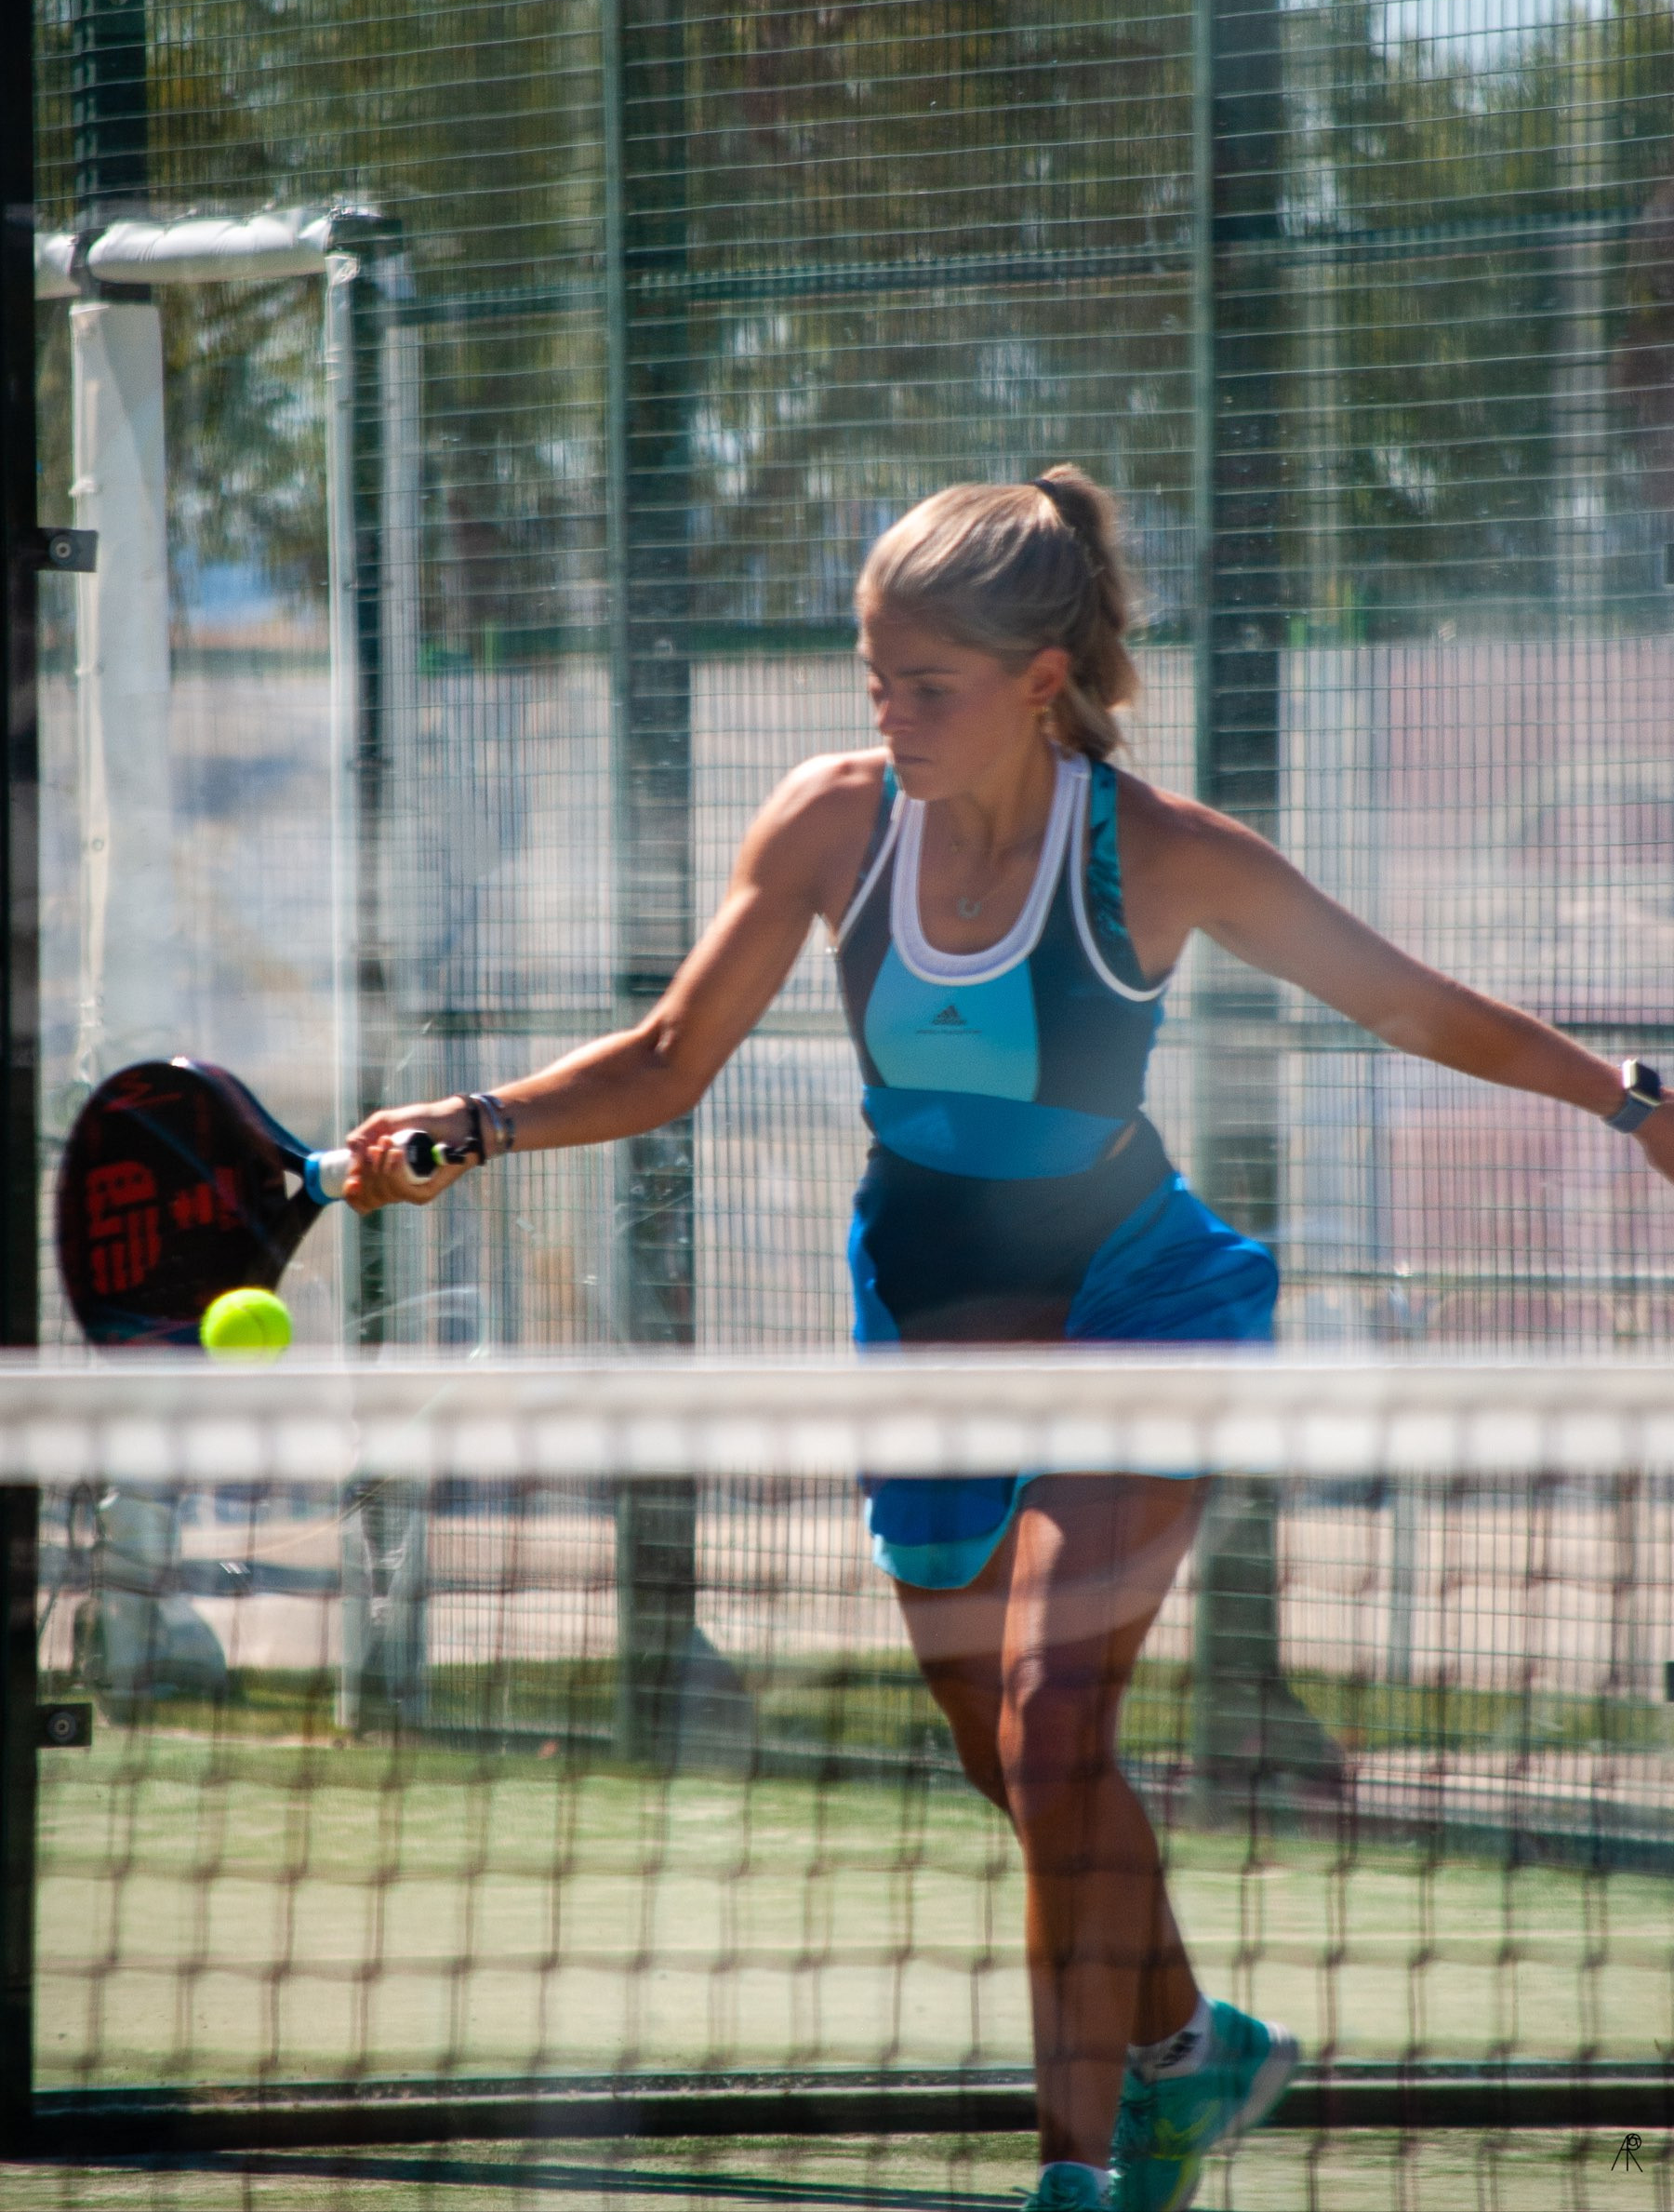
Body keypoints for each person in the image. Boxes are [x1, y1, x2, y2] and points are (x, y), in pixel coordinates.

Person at [345, 467, 1674, 2212]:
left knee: (1055, 1726)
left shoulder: (1164, 852)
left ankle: (1075, 2173)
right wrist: (472, 1123)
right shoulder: (833, 822)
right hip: (926, 1316)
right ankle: (1196, 2049)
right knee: (1008, 1755)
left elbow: (1411, 1002)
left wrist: (1634, 1099)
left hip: (1140, 1302)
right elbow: (670, 1057)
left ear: (1042, 679)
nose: (890, 714)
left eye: (929, 684)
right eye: (874, 677)